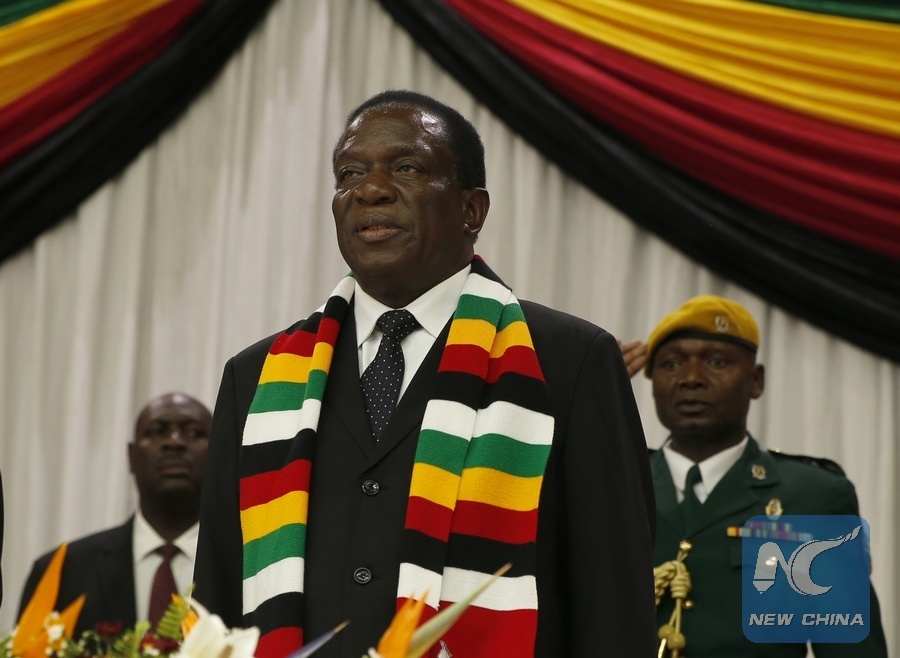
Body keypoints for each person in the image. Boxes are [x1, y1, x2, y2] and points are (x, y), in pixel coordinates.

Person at [193, 90, 657, 658]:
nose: (370, 190)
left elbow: (614, 602)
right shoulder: (257, 377)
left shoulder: (569, 360)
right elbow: (215, 603)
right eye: (349, 173)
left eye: (406, 167)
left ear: (472, 210)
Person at [628, 295, 888, 657]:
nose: (690, 379)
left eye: (717, 362)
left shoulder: (812, 497)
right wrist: (577, 403)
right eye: (671, 364)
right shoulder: (614, 483)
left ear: (755, 381)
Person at [19, 392, 211, 636]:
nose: (174, 443)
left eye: (193, 433)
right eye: (157, 431)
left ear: (220, 453)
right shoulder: (61, 572)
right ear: (131, 456)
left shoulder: (246, 568)